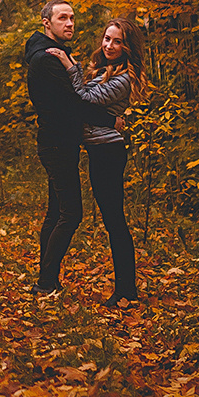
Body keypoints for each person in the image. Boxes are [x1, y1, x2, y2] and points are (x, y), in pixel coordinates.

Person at [23, 0, 126, 298]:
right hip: (57, 143)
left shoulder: (55, 54)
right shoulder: (46, 59)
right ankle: (45, 283)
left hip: (60, 141)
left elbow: (75, 98)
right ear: (46, 23)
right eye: (62, 18)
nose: (70, 23)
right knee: (71, 213)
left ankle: (47, 279)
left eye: (72, 18)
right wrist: (111, 119)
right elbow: (73, 104)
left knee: (56, 212)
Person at [67, 17, 147, 306]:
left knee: (114, 220)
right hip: (99, 149)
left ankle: (126, 290)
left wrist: (70, 66)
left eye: (117, 41)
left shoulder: (124, 77)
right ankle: (126, 288)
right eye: (107, 38)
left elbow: (84, 97)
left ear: (128, 47)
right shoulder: (103, 69)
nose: (109, 45)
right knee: (112, 219)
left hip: (108, 152)